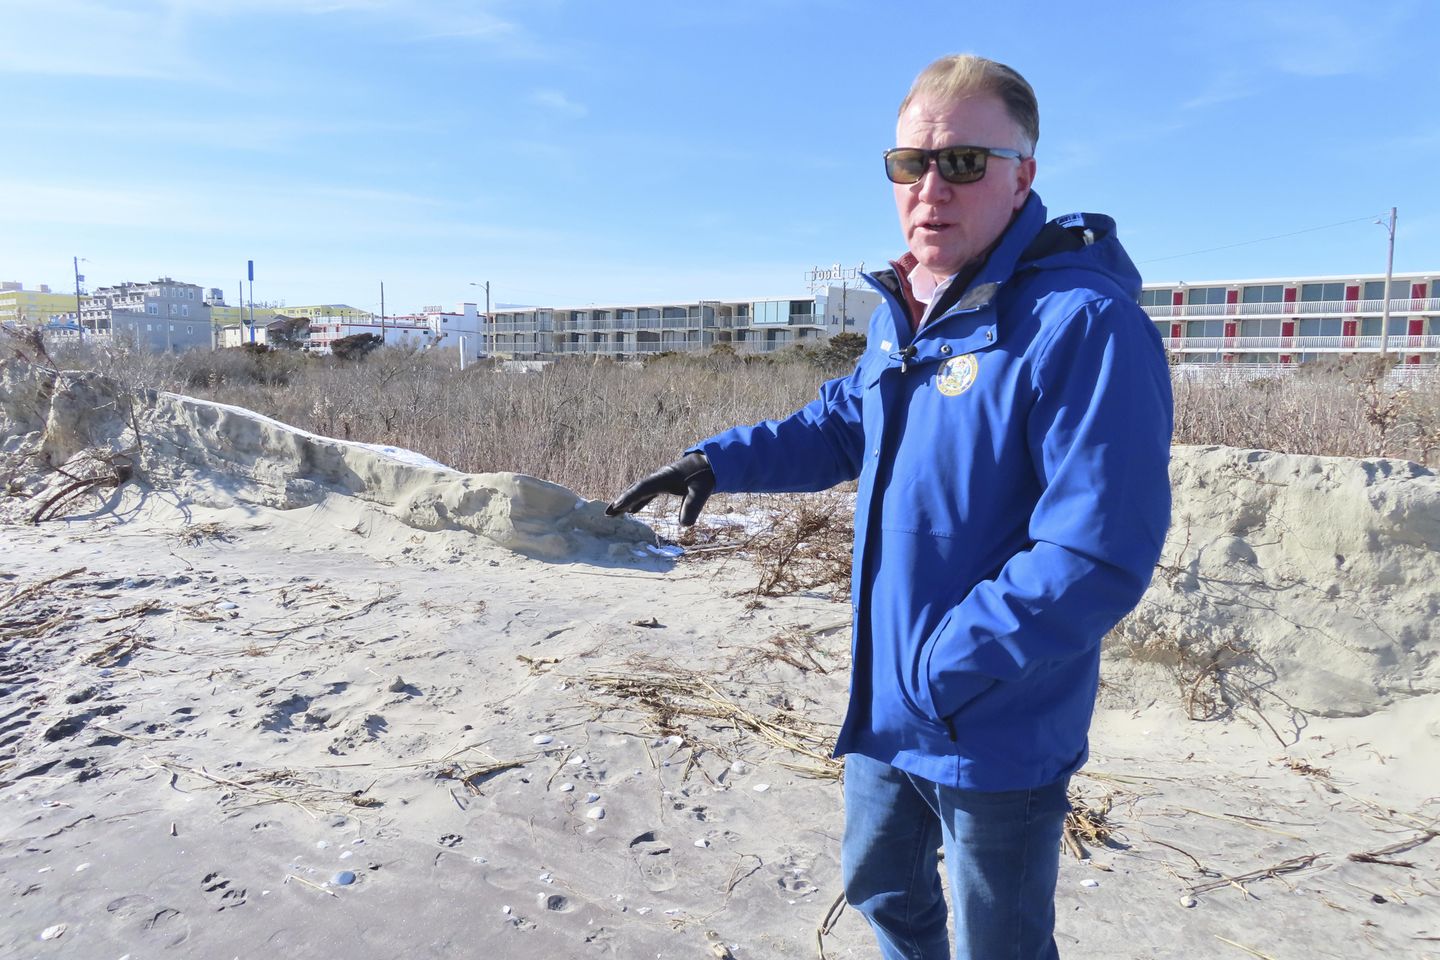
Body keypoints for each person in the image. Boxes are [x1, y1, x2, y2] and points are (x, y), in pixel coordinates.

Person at [607, 53, 1172, 960]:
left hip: (995, 718)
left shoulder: (1083, 325)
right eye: (909, 164)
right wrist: (715, 463)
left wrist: (949, 663)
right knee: (882, 890)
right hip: (889, 710)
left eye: (961, 164)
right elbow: (841, 423)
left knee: (1003, 942)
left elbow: (1098, 552)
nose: (929, 189)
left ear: (1023, 174)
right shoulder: (907, 311)